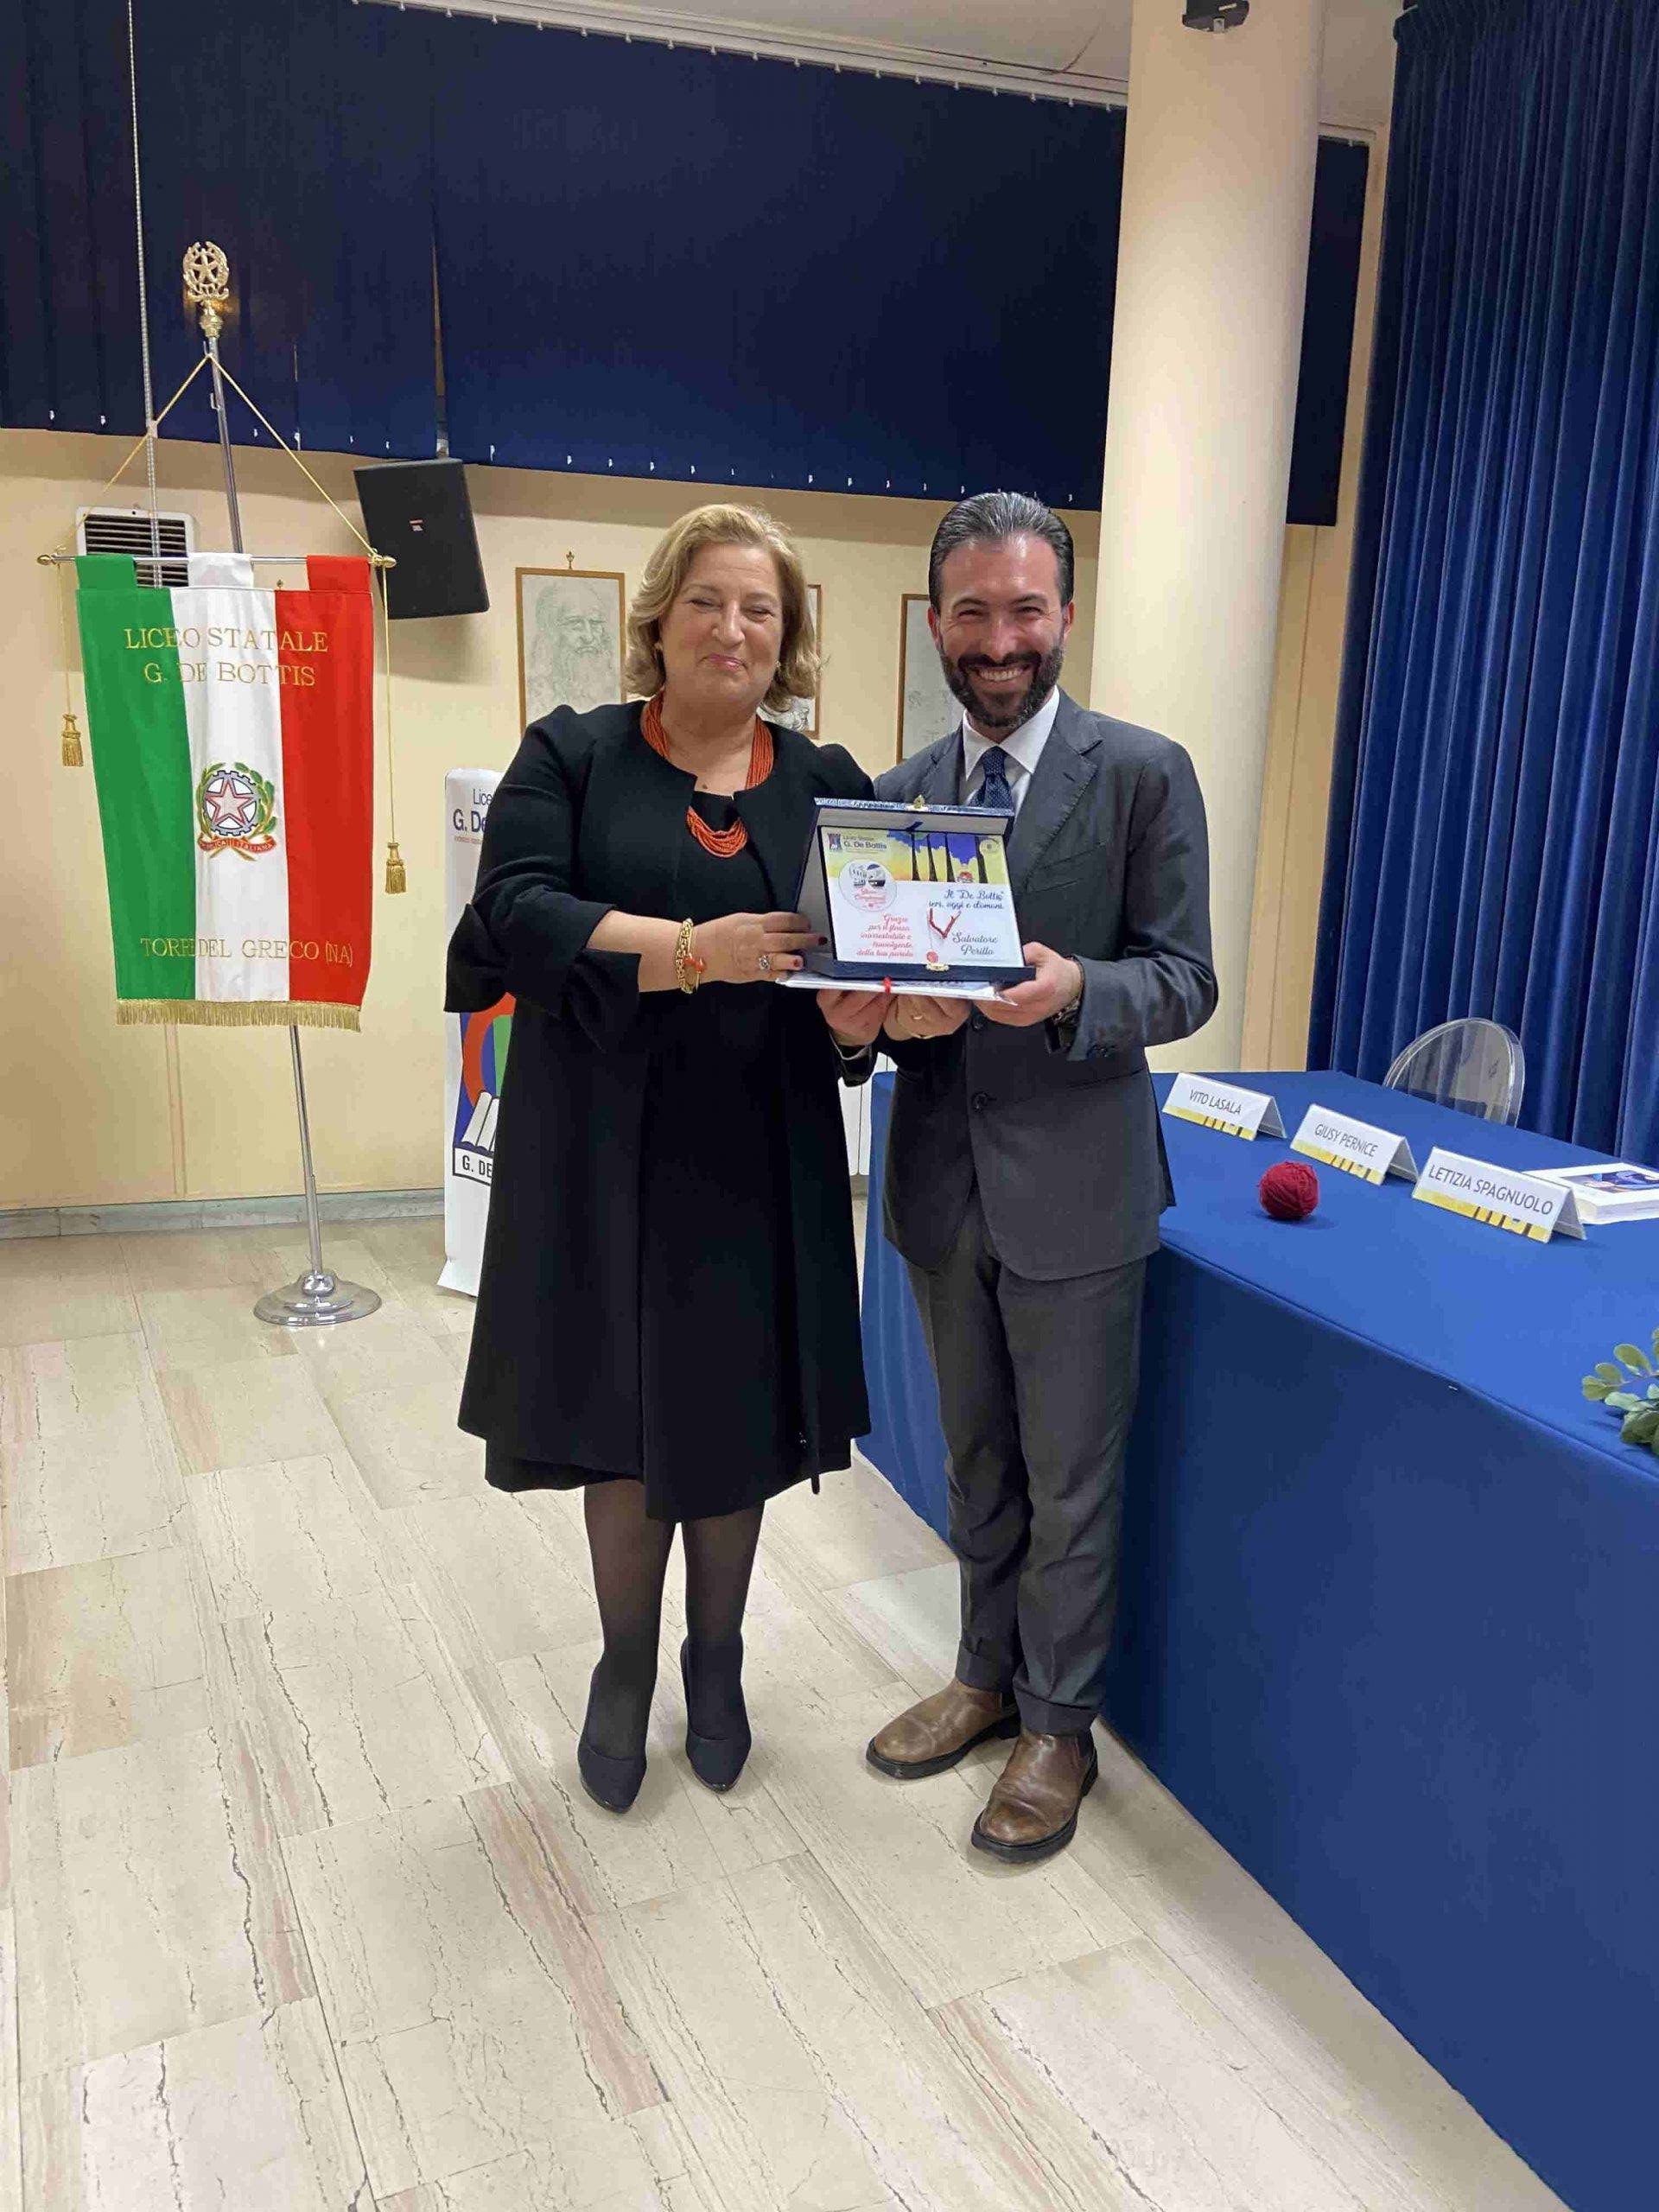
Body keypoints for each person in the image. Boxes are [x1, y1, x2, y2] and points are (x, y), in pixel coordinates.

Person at [448, 504, 879, 1815]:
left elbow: (863, 970)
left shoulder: (831, 784)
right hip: (600, 1146)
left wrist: (862, 1024)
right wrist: (693, 953)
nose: (731, 629)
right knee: (623, 1420)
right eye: (707, 601)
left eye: (760, 609)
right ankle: (626, 1662)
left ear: (787, 640)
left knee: (737, 1419)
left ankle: (718, 1658)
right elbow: (513, 912)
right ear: (659, 619)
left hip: (761, 1152)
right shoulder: (571, 755)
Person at [842, 491, 1217, 1865]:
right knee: (978, 1462)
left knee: (1073, 1478)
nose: (1000, 640)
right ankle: (983, 1678)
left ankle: (1061, 1726)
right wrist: (864, 1023)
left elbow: (1184, 978)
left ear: (1066, 613)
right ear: (938, 623)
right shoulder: (892, 797)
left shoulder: (1143, 775)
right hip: (942, 1185)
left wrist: (1076, 992)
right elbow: (871, 1000)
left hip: (1080, 1187)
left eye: (1024, 610)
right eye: (972, 613)